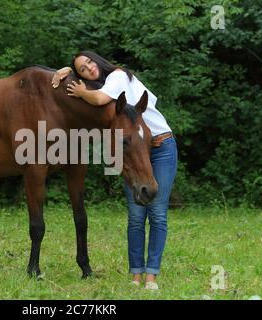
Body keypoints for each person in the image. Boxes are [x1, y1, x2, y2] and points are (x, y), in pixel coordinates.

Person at [51, 51, 177, 290]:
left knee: (157, 214)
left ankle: (151, 277)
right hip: (132, 149)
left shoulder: (118, 77)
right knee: (136, 217)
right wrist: (66, 71)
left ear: (97, 60)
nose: (88, 69)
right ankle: (136, 275)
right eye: (82, 69)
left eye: (89, 62)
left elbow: (97, 99)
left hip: (161, 145)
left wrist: (79, 90)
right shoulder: (103, 86)